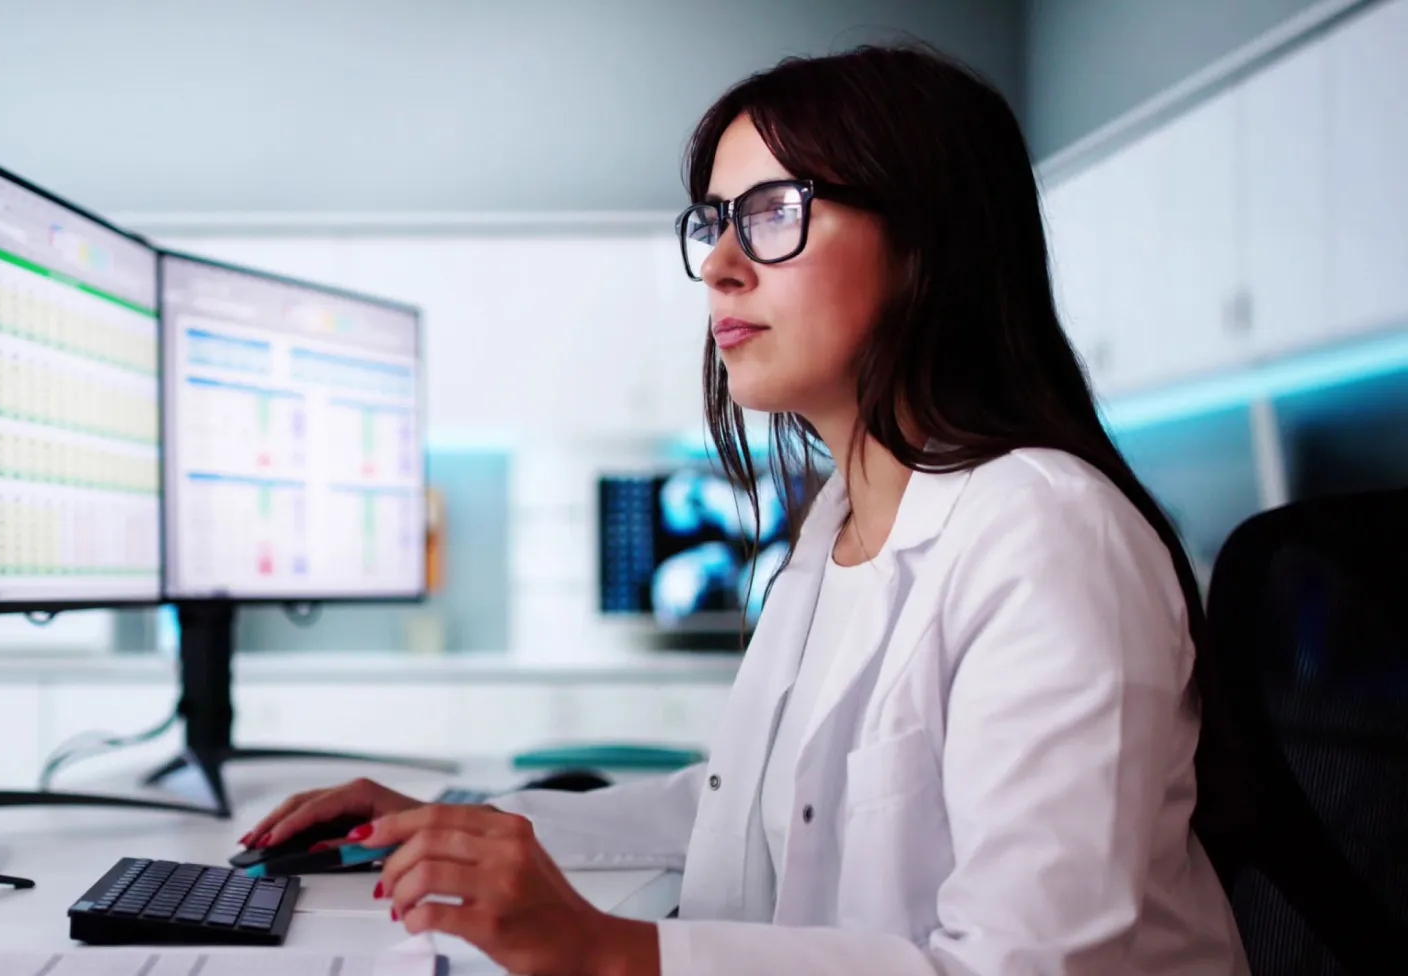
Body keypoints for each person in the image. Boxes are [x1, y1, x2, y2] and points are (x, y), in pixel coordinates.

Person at [244, 45, 1246, 976]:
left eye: (772, 210)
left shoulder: (1046, 535)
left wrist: (607, 951)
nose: (721, 263)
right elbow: (742, 807)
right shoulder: (838, 527)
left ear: (928, 240)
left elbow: (1019, 968)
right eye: (712, 221)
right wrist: (461, 822)